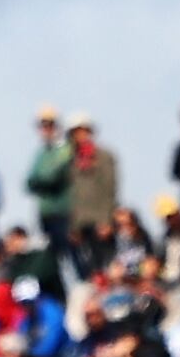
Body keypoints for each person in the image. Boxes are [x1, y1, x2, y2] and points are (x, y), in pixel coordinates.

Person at [65, 113, 119, 277]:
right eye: (76, 132)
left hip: (100, 220)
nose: (80, 136)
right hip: (81, 222)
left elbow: (109, 189)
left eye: (83, 131)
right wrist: (73, 226)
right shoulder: (70, 161)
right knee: (88, 267)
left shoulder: (103, 157)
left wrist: (106, 220)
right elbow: (70, 194)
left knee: (107, 262)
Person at [25, 106, 74, 275]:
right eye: (43, 126)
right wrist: (43, 180)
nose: (46, 130)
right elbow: (29, 183)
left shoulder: (65, 149)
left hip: (64, 212)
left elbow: (54, 176)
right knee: (51, 257)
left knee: (70, 255)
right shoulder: (41, 154)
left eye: (49, 125)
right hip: (46, 213)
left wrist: (43, 180)